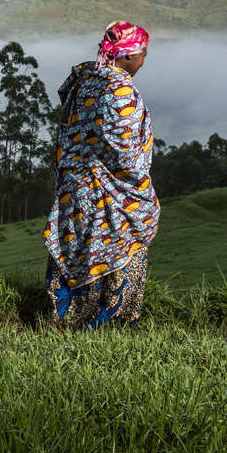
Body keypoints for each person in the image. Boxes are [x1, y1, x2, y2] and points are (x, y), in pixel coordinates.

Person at [43, 20, 160, 330]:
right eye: (143, 53)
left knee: (76, 244)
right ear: (127, 55)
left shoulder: (85, 77)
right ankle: (111, 321)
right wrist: (138, 182)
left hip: (75, 184)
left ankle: (64, 317)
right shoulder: (119, 89)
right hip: (109, 189)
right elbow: (122, 152)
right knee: (122, 243)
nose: (144, 60)